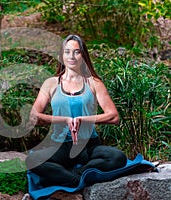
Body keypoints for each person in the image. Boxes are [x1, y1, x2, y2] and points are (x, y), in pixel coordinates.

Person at [25, 34, 127, 188]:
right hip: (61, 146)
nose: (71, 56)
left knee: (118, 157)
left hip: (89, 146)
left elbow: (113, 116)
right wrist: (65, 120)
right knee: (32, 160)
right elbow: (33, 117)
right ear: (61, 55)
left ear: (83, 55)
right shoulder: (51, 84)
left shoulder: (93, 83)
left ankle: (72, 176)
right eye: (67, 52)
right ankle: (76, 180)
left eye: (76, 52)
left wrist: (82, 119)